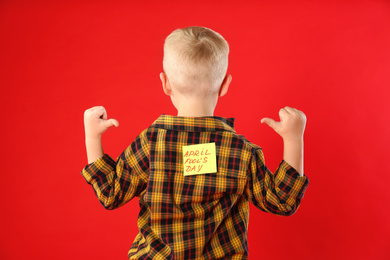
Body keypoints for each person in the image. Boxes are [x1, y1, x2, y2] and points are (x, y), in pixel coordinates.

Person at [82, 26, 309, 259]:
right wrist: (293, 139)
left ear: (165, 83)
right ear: (225, 85)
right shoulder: (241, 152)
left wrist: (92, 136)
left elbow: (110, 193)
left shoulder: (151, 143)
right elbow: (282, 201)